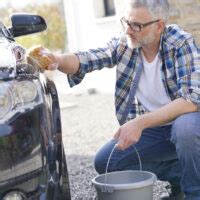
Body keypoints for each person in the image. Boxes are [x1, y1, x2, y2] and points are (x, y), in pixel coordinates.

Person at [33, 0, 200, 199]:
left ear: (159, 26)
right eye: (126, 23)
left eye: (137, 25)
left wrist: (139, 123)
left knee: (185, 130)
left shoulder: (180, 42)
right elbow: (89, 59)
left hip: (188, 123)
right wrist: (58, 60)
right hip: (155, 130)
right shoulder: (126, 44)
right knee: (106, 162)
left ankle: (194, 192)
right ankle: (181, 176)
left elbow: (192, 99)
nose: (129, 30)